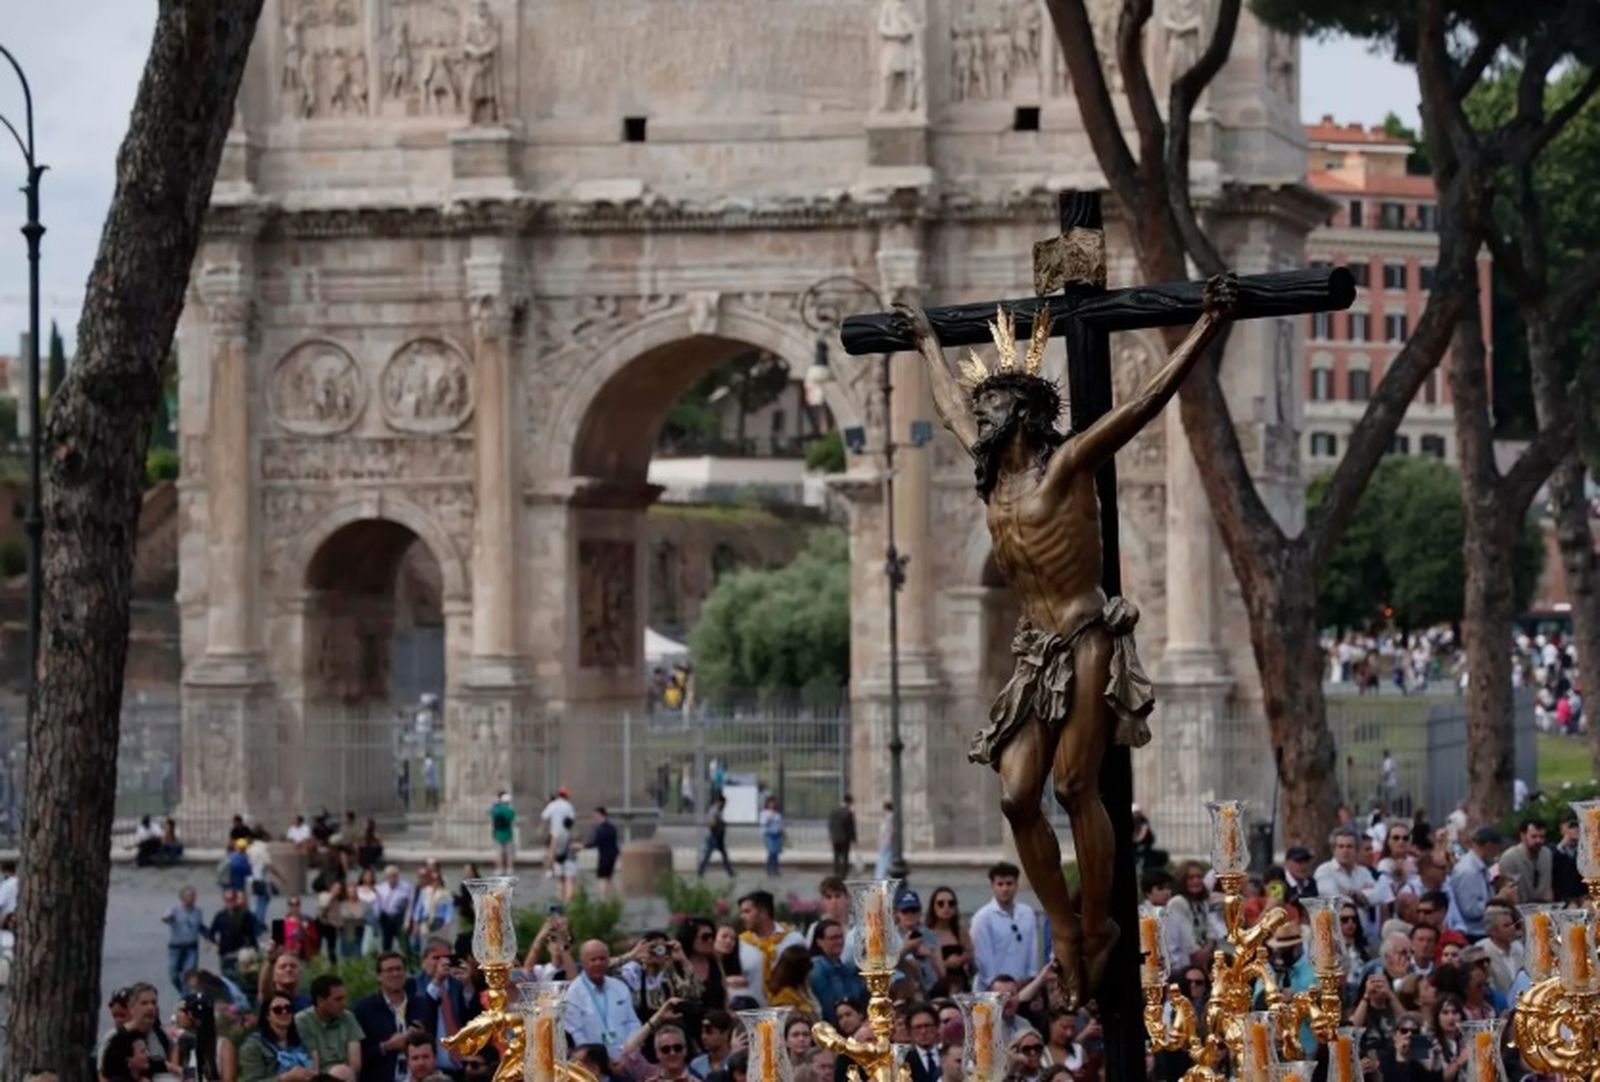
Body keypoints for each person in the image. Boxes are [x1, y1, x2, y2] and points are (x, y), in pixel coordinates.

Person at [898, 278, 1238, 1006]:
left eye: (993, 405)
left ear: (1021, 415)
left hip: (1086, 635)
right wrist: (928, 341)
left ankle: (1098, 923)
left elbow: (1142, 405)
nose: (980, 413)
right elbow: (949, 407)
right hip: (1035, 649)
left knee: (1073, 784)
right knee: (1018, 797)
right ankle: (1065, 922)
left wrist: (1205, 329)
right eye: (982, 405)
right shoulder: (992, 484)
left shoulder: (1067, 464)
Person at [353, 952, 427, 1082]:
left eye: (399, 969)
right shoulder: (364, 1009)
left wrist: (422, 1037)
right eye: (389, 970)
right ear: (379, 976)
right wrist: (387, 1046)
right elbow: (359, 1054)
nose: (395, 974)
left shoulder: (421, 1005)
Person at [564, 940, 643, 1058]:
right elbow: (576, 1034)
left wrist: (628, 1052)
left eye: (602, 959)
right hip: (594, 1064)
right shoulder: (573, 993)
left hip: (627, 1059)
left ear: (608, 960)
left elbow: (633, 1023)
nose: (598, 963)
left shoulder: (620, 987)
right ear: (583, 962)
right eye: (593, 960)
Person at [970, 862, 1039, 992]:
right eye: (1000, 884)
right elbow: (983, 959)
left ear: (1016, 884)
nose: (1005, 889)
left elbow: (1032, 950)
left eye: (1009, 883)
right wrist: (997, 985)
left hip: (1023, 986)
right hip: (991, 990)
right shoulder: (983, 918)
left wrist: (1031, 978)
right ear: (992, 886)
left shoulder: (1027, 913)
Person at [736, 891, 808, 1007]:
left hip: (790, 1012)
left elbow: (806, 979)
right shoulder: (740, 944)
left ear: (763, 912)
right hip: (754, 1015)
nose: (742, 917)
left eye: (747, 912)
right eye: (742, 912)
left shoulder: (793, 939)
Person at [294, 974, 364, 1074]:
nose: (344, 1003)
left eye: (344, 998)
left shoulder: (348, 1016)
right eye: (338, 999)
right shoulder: (302, 1021)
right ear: (320, 1001)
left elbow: (355, 1063)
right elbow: (313, 1066)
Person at [240, 993, 317, 1082]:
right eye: (278, 1010)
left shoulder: (302, 1039)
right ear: (267, 1015)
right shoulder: (253, 1046)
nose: (284, 1012)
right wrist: (285, 1078)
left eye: (288, 1008)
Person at [807, 919, 865, 1025]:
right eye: (833, 938)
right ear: (819, 942)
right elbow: (829, 1006)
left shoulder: (846, 967)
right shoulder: (816, 969)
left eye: (840, 937)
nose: (839, 942)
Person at [925, 886, 974, 993]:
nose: (946, 907)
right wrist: (946, 964)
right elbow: (924, 965)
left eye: (951, 903)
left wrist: (963, 958)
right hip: (937, 986)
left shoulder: (960, 931)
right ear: (933, 907)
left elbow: (970, 953)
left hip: (960, 983)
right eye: (940, 903)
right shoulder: (927, 933)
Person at [1496, 817, 1553, 904]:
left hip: (1543, 910)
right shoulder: (1509, 858)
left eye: (1541, 837)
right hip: (1519, 910)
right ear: (1523, 836)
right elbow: (1508, 893)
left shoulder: (1546, 854)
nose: (1538, 840)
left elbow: (1547, 887)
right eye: (1534, 836)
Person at [163, 886, 207, 996]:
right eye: (188, 896)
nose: (191, 898)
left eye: (193, 896)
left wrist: (211, 939)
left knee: (187, 976)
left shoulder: (198, 911)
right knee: (173, 976)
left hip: (191, 948)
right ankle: (185, 994)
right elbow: (166, 919)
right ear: (181, 897)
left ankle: (185, 1000)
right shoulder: (175, 909)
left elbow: (200, 927)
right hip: (175, 948)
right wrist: (168, 918)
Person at [699, 797, 735, 879]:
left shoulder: (718, 811)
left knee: (723, 855)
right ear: (719, 802)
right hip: (713, 837)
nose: (724, 806)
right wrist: (718, 824)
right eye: (724, 803)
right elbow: (710, 822)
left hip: (719, 837)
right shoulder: (713, 811)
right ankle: (701, 871)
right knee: (708, 855)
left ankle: (730, 872)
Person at [590, 807, 620, 900]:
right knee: (609, 878)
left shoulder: (600, 829)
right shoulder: (612, 828)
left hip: (604, 856)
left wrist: (583, 846)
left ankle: (603, 900)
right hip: (613, 855)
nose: (594, 819)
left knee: (602, 879)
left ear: (601, 815)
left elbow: (595, 843)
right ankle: (612, 900)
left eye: (595, 816)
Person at [827, 795, 857, 877]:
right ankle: (843, 875)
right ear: (849, 802)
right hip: (845, 839)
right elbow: (851, 827)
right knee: (845, 857)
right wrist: (854, 839)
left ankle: (836, 873)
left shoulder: (834, 811)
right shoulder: (848, 813)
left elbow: (830, 825)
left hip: (835, 838)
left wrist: (831, 835)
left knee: (836, 856)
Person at [489, 792, 516, 873]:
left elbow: (492, 815)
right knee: (509, 853)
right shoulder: (510, 811)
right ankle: (509, 868)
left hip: (498, 834)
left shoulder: (497, 810)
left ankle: (499, 868)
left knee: (499, 853)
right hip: (508, 834)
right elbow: (512, 819)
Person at [759, 796, 785, 877]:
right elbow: (763, 823)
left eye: (774, 802)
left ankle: (775, 869)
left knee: (776, 853)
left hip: (777, 834)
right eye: (770, 802)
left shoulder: (777, 813)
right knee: (771, 852)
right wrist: (770, 817)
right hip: (769, 834)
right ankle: (769, 869)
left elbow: (780, 823)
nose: (772, 804)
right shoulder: (764, 813)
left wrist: (782, 831)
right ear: (767, 803)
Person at [875, 803, 895, 880]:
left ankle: (881, 875)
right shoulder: (888, 817)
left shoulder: (889, 817)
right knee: (885, 858)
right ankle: (883, 875)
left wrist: (887, 841)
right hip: (885, 841)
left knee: (885, 858)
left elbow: (889, 830)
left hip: (886, 842)